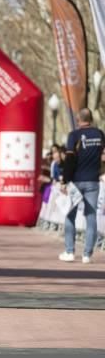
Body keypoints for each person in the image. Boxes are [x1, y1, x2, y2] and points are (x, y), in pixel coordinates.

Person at [59, 108, 104, 264]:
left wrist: (64, 180)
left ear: (78, 119)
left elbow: (70, 159)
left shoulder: (74, 135)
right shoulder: (99, 134)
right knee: (91, 217)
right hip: (93, 181)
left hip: (76, 182)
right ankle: (87, 255)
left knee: (70, 215)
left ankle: (70, 251)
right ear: (90, 118)